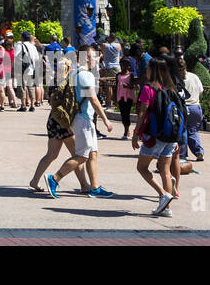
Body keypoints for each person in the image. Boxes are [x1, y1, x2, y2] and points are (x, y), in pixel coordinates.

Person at [45, 47, 115, 198]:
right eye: (93, 56)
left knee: (93, 154)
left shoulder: (76, 74)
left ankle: (94, 187)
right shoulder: (85, 75)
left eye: (96, 56)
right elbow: (93, 99)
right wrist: (106, 119)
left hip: (84, 119)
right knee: (82, 155)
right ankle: (54, 178)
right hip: (83, 119)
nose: (96, 59)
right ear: (86, 58)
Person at [132, 57, 184, 217]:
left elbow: (142, 112)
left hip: (154, 136)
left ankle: (163, 194)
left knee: (141, 167)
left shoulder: (148, 88)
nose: (146, 70)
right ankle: (166, 209)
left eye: (148, 67)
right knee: (165, 170)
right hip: (170, 136)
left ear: (153, 70)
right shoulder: (170, 88)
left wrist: (135, 133)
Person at [179, 54, 205, 162]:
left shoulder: (176, 79)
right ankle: (199, 151)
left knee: (182, 131)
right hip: (195, 107)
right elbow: (201, 91)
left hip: (183, 108)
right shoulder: (194, 76)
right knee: (193, 131)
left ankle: (182, 154)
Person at [16, 31, 41, 111]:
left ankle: (23, 105)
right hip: (31, 69)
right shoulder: (33, 46)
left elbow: (16, 56)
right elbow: (37, 58)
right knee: (31, 87)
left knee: (22, 87)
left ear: (22, 37)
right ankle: (32, 105)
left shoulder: (20, 45)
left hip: (22, 69)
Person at [114, 58, 136, 139]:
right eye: (122, 64)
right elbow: (116, 86)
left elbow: (133, 85)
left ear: (129, 66)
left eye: (126, 64)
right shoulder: (118, 75)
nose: (124, 66)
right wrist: (115, 97)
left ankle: (126, 131)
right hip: (121, 96)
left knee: (127, 113)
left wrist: (128, 86)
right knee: (123, 114)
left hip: (129, 97)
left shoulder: (130, 75)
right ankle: (126, 129)